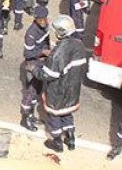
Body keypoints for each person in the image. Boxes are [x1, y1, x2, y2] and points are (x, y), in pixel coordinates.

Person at [27, 14, 86, 152]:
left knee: (54, 116)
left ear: (61, 32)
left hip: (58, 91)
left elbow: (47, 74)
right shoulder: (79, 44)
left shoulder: (58, 53)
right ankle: (71, 139)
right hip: (73, 89)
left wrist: (34, 68)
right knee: (67, 114)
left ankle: (57, 143)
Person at [19, 5, 50, 132]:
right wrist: (43, 52)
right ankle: (25, 119)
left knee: (37, 91)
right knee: (30, 92)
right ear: (35, 19)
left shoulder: (45, 27)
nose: (43, 21)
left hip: (41, 64)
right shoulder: (31, 33)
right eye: (40, 19)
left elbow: (46, 41)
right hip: (32, 66)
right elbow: (28, 54)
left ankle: (31, 115)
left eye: (45, 19)